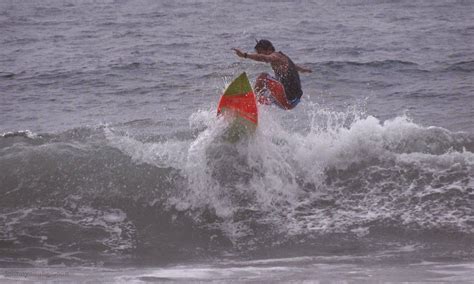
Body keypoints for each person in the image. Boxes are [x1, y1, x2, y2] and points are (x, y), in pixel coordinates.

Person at [232, 39, 312, 110]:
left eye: (260, 52)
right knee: (263, 95)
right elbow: (293, 66)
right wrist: (303, 70)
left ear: (269, 49)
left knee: (263, 77)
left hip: (288, 99)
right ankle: (256, 108)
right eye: (258, 53)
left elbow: (265, 58)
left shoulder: (276, 56)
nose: (259, 54)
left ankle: (251, 103)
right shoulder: (283, 58)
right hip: (292, 102)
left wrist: (245, 55)